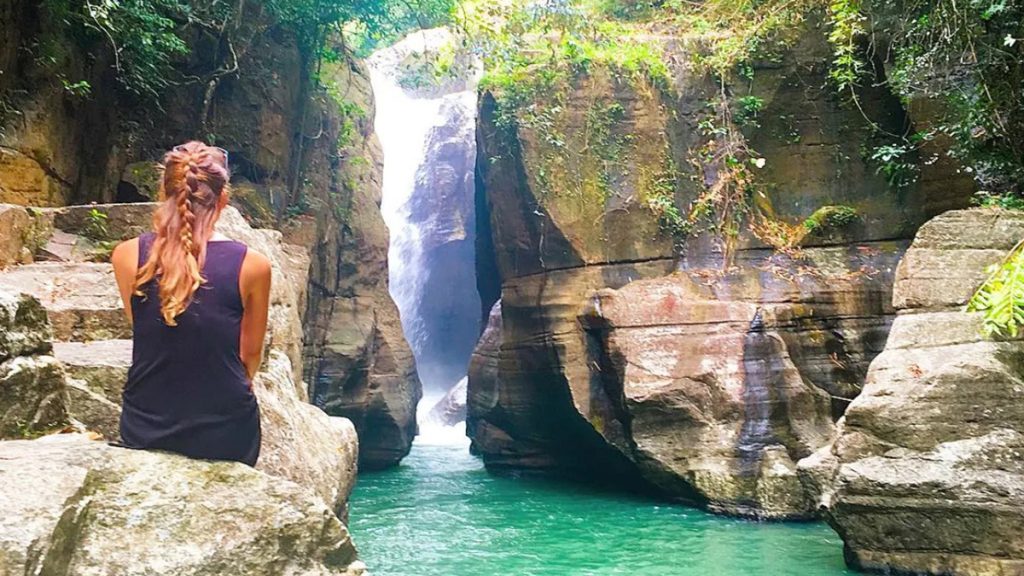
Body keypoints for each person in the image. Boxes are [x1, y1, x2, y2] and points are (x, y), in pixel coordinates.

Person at [110, 141, 272, 466]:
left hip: (145, 426)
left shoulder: (126, 255)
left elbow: (145, 330)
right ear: (223, 200)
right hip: (225, 433)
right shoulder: (253, 266)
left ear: (164, 192)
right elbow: (250, 355)